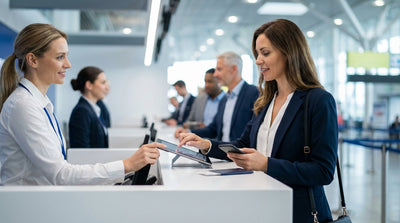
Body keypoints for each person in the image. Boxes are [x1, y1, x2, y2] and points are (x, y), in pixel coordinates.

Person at [177, 19, 338, 223]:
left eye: (265, 53)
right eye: (257, 54)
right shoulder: (265, 101)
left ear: (289, 52)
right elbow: (242, 146)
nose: (258, 60)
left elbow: (323, 171)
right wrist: (207, 144)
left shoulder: (318, 101)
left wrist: (267, 164)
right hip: (262, 206)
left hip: (298, 212)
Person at [0, 23, 163, 185]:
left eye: (66, 56)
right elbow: (60, 175)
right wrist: (127, 165)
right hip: (27, 206)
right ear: (33, 60)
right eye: (59, 57)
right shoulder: (23, 105)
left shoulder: (39, 103)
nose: (68, 64)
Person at [175, 51, 259, 141]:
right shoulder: (225, 99)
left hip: (240, 153)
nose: (215, 74)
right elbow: (213, 129)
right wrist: (188, 132)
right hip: (221, 153)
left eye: (219, 69)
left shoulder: (254, 94)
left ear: (234, 69)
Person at [69, 66, 109, 148]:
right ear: (89, 85)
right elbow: (81, 150)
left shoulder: (93, 109)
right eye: (103, 83)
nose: (106, 87)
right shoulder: (81, 112)